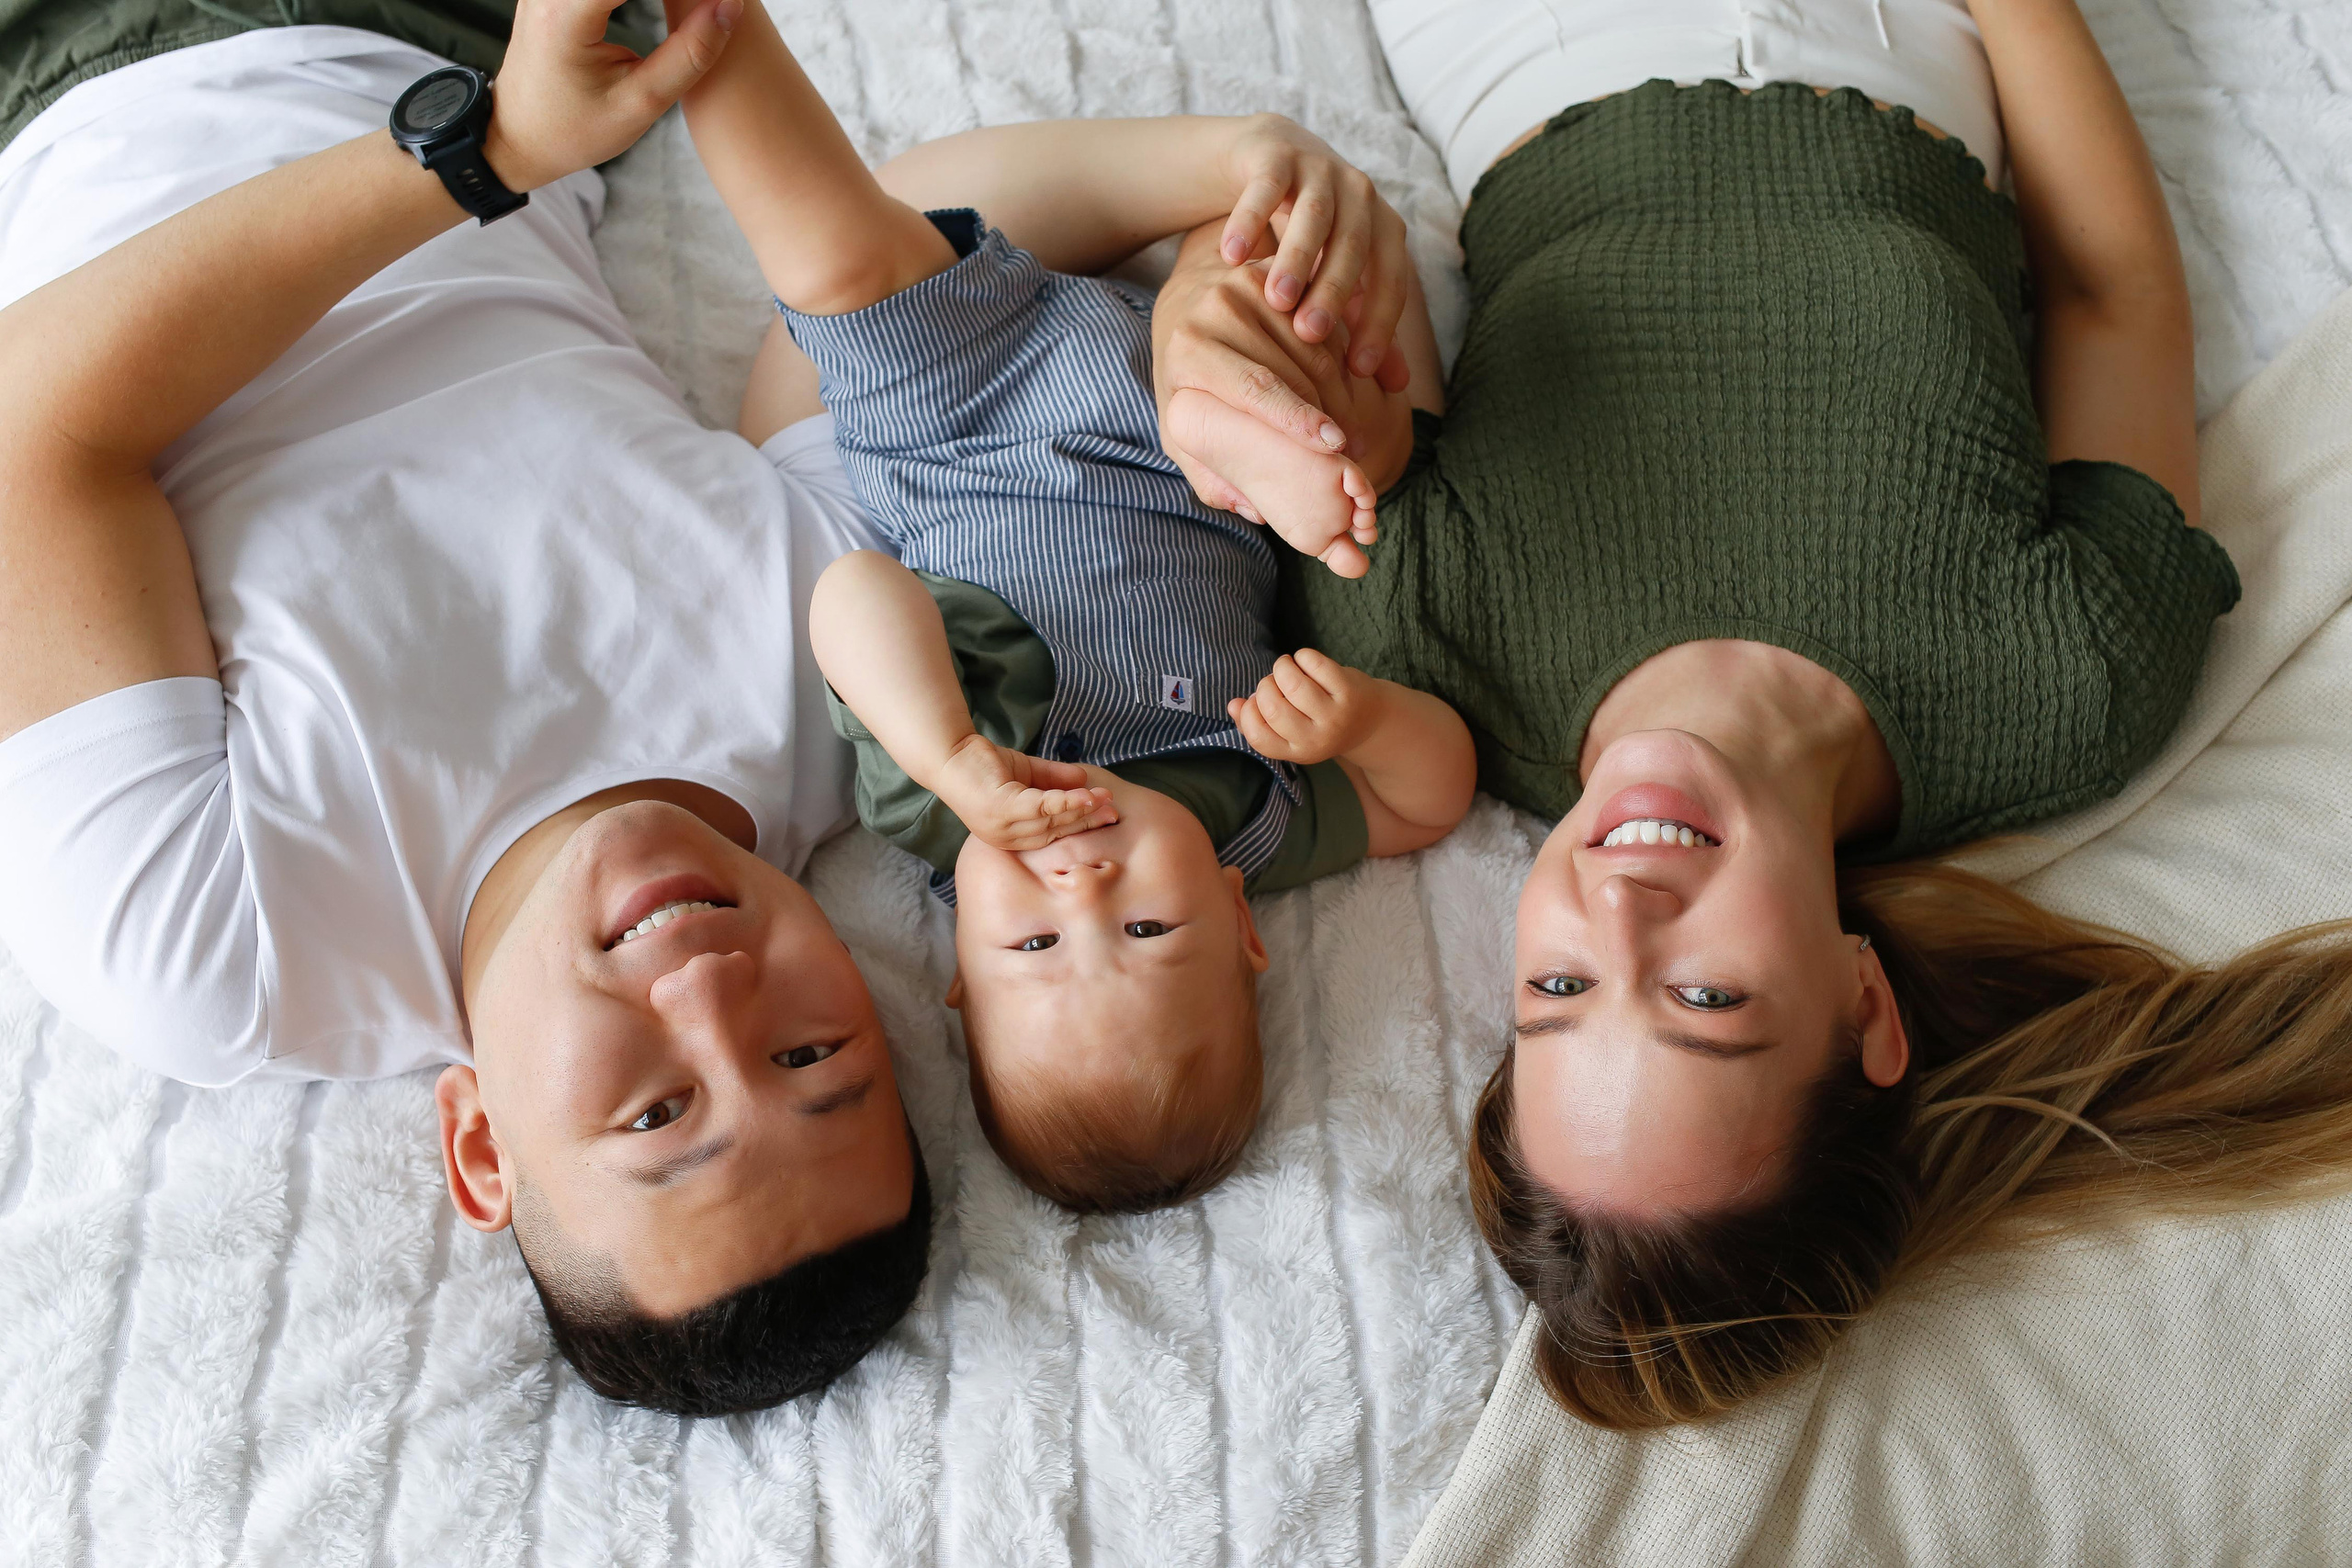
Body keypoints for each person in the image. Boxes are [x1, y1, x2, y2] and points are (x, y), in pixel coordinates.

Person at [0, 0, 1407, 1413]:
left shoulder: (229, 954)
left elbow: (34, 433)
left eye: (656, 1108)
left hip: (86, 76)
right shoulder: (861, 695)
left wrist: (486, 158)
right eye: (810, 1056)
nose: (709, 993)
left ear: (484, 1146)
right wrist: (1236, 178)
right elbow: (886, 288)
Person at [1136, 0, 2352, 1428]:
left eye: (1560, 992)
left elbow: (1300, 288)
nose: (1624, 912)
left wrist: (1203, 339)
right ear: (1865, 1005)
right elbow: (2109, 295)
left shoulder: (1415, 652)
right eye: (1705, 1001)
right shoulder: (2066, 683)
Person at [666, 0, 1477, 1213]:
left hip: (960, 407)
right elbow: (1436, 795)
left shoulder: (947, 804)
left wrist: (945, 753)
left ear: (958, 975)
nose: (1083, 893)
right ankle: (1240, 364)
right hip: (1182, 442)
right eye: (1152, 935)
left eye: (1032, 948)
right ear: (1242, 927)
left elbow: (855, 592)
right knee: (1366, 415)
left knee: (836, 261)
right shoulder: (1255, 819)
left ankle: (689, 38)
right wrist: (1356, 723)